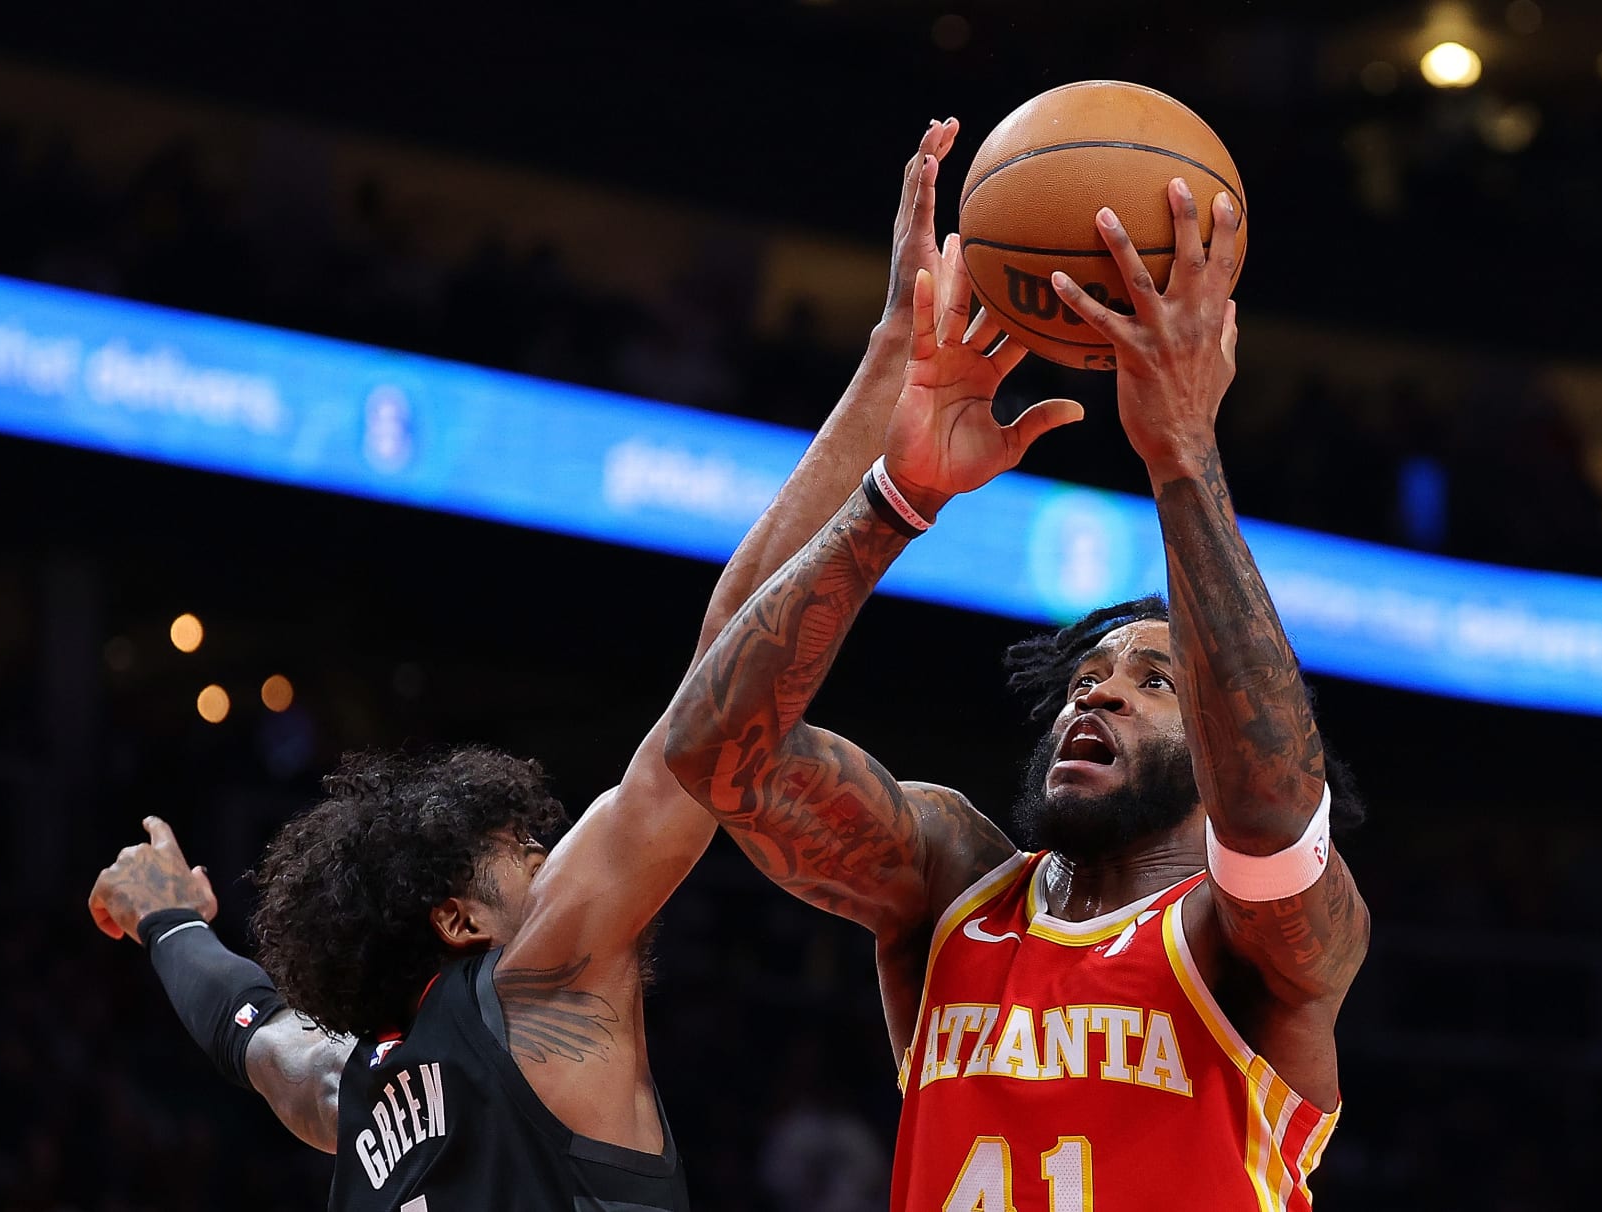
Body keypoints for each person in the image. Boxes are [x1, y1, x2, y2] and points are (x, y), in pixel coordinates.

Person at [87, 117, 989, 1211]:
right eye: (522, 852)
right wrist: (894, 468)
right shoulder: (537, 980)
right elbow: (720, 706)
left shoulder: (358, 1094)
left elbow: (255, 1036)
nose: (554, 855)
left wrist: (170, 924)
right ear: (461, 922)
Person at [665, 181, 1370, 1211]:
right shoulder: (954, 878)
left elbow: (1268, 809)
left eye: (1154, 680)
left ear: (1217, 734)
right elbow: (715, 749)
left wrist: (1182, 451)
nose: (1102, 696)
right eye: (1086, 679)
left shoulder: (1248, 940)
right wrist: (894, 499)